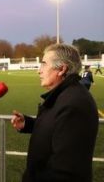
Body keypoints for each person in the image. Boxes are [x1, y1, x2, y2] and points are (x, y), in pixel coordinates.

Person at [11, 44, 98, 182]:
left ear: (62, 69)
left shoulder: (73, 104)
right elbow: (58, 128)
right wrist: (28, 124)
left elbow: (65, 172)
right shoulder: (65, 95)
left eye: (44, 64)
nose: (39, 71)